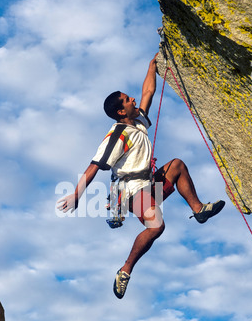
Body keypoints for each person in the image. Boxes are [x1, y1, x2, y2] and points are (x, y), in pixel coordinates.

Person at [57, 54, 225, 299]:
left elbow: (147, 92)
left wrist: (152, 66)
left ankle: (199, 210)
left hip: (148, 185)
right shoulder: (117, 134)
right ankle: (125, 270)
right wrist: (76, 193)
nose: (132, 98)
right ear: (120, 111)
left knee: (177, 165)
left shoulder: (139, 121)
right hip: (132, 191)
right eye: (127, 99)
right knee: (157, 226)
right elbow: (94, 166)